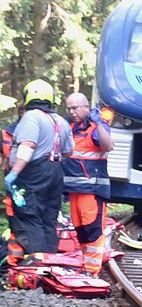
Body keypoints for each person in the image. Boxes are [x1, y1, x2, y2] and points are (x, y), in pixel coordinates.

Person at [4, 80, 70, 263]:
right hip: (55, 172)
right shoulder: (61, 121)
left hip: (33, 175)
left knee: (29, 217)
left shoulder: (31, 116)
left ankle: (38, 264)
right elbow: (68, 151)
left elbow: (27, 147)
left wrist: (14, 173)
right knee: (48, 219)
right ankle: (51, 262)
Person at [61, 92, 113, 275]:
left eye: (74, 108)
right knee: (81, 230)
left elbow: (108, 146)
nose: (71, 111)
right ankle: (86, 267)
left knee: (93, 230)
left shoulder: (95, 127)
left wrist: (99, 123)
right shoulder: (70, 127)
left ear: (85, 107)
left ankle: (92, 270)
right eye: (69, 108)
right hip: (74, 190)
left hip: (92, 189)